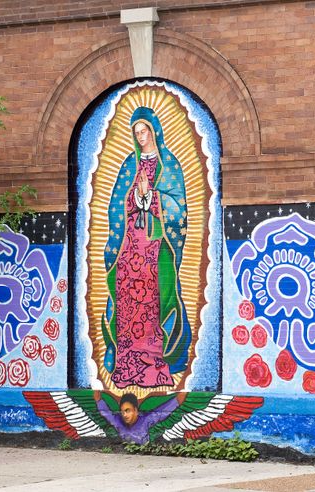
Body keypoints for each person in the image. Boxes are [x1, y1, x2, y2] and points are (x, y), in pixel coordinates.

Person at [103, 106, 191, 388]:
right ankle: (127, 362)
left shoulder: (170, 165)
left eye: (145, 132)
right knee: (127, 297)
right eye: (137, 133)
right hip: (130, 246)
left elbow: (178, 209)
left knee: (156, 298)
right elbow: (116, 204)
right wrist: (135, 196)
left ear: (155, 131)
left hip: (156, 246)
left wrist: (151, 196)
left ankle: (156, 360)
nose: (141, 138)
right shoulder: (130, 163)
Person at [95, 392, 179, 445]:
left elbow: (166, 409)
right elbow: (105, 411)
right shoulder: (117, 421)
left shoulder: (146, 420)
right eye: (122, 411)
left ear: (135, 410)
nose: (125, 415)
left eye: (128, 411)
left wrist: (183, 394)